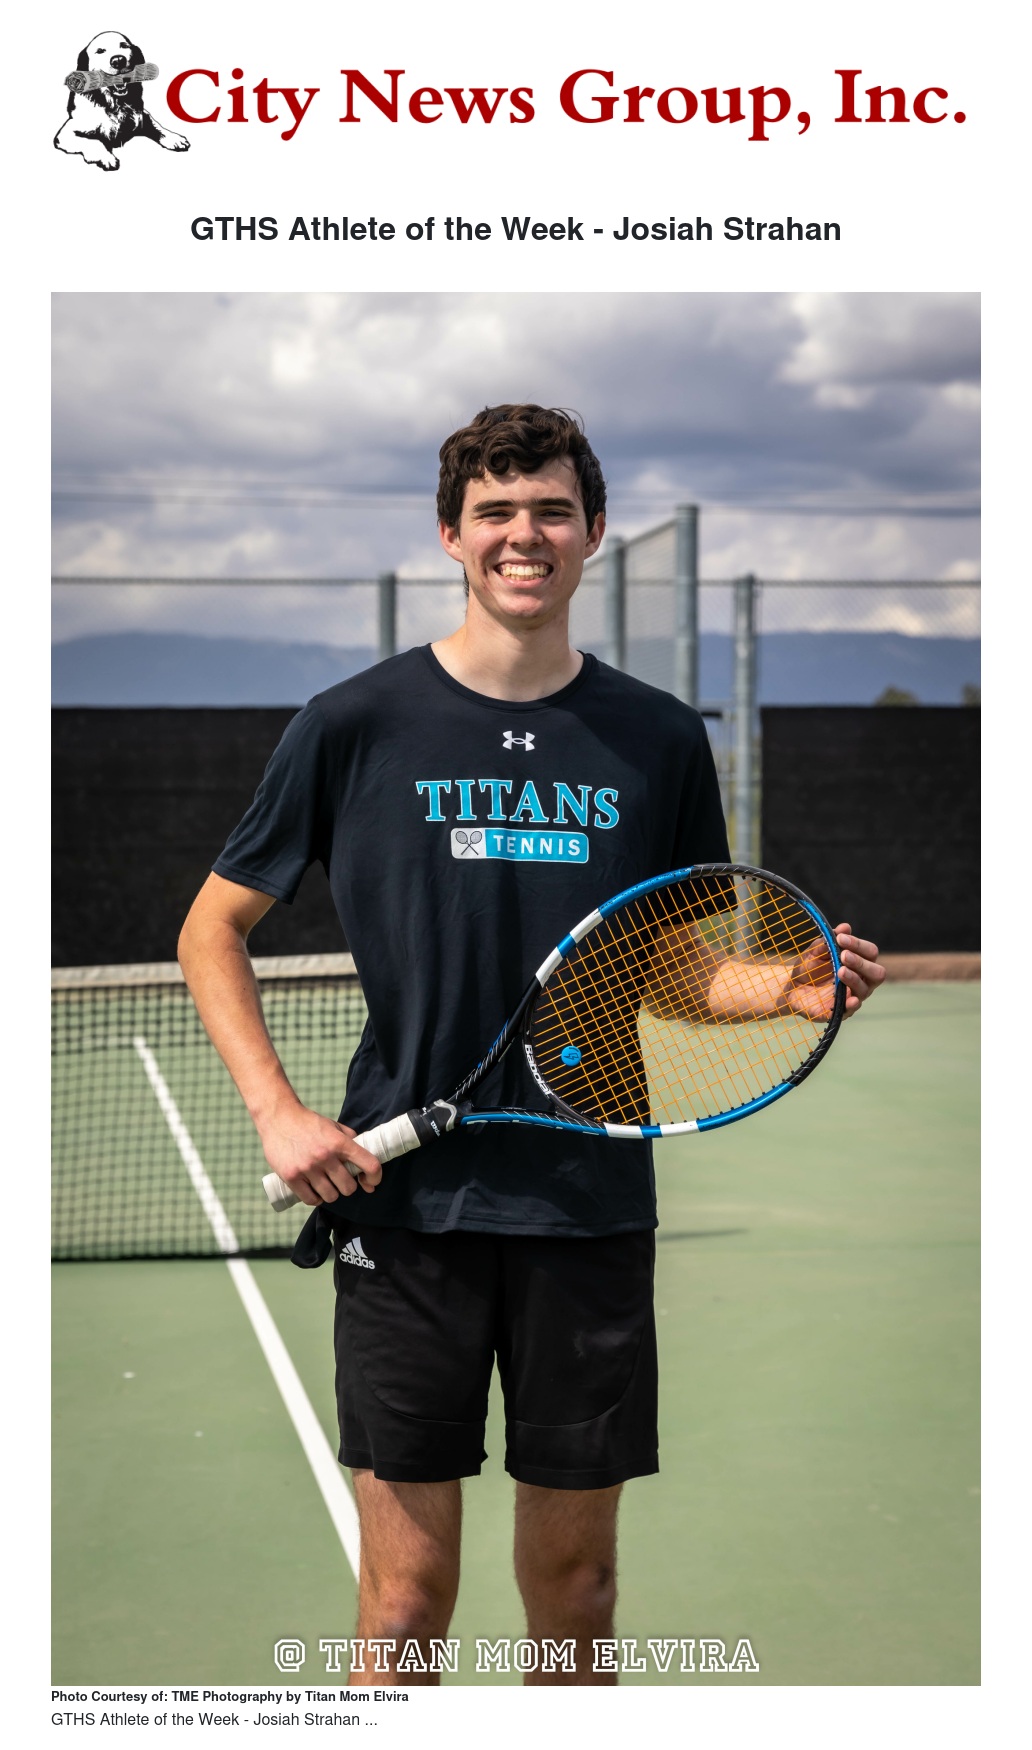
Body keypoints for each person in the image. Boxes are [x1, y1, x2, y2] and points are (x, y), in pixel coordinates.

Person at [178, 404, 885, 1686]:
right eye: (495, 511)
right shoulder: (354, 722)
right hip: (405, 1211)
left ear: (592, 532)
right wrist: (279, 1111)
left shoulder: (659, 738)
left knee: (579, 1599)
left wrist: (785, 990)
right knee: (404, 1606)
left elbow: (664, 969)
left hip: (586, 1203)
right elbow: (210, 929)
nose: (525, 534)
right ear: (450, 534)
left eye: (552, 510)